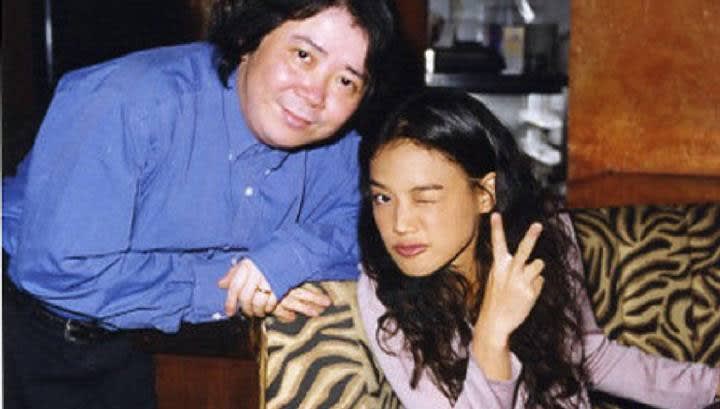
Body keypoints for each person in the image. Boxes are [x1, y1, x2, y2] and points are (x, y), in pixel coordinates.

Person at [2, 1, 397, 408]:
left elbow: (368, 222)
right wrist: (229, 280)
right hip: (28, 334)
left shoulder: (332, 146)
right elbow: (58, 271)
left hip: (155, 348)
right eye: (303, 56)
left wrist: (286, 259)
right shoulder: (128, 102)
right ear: (249, 38)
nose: (315, 95)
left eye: (346, 81)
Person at [356, 88, 720, 408]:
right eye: (383, 197)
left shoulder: (542, 236)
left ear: (485, 193)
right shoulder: (383, 292)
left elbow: (589, 356)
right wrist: (491, 336)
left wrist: (712, 387)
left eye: (424, 198)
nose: (399, 224)